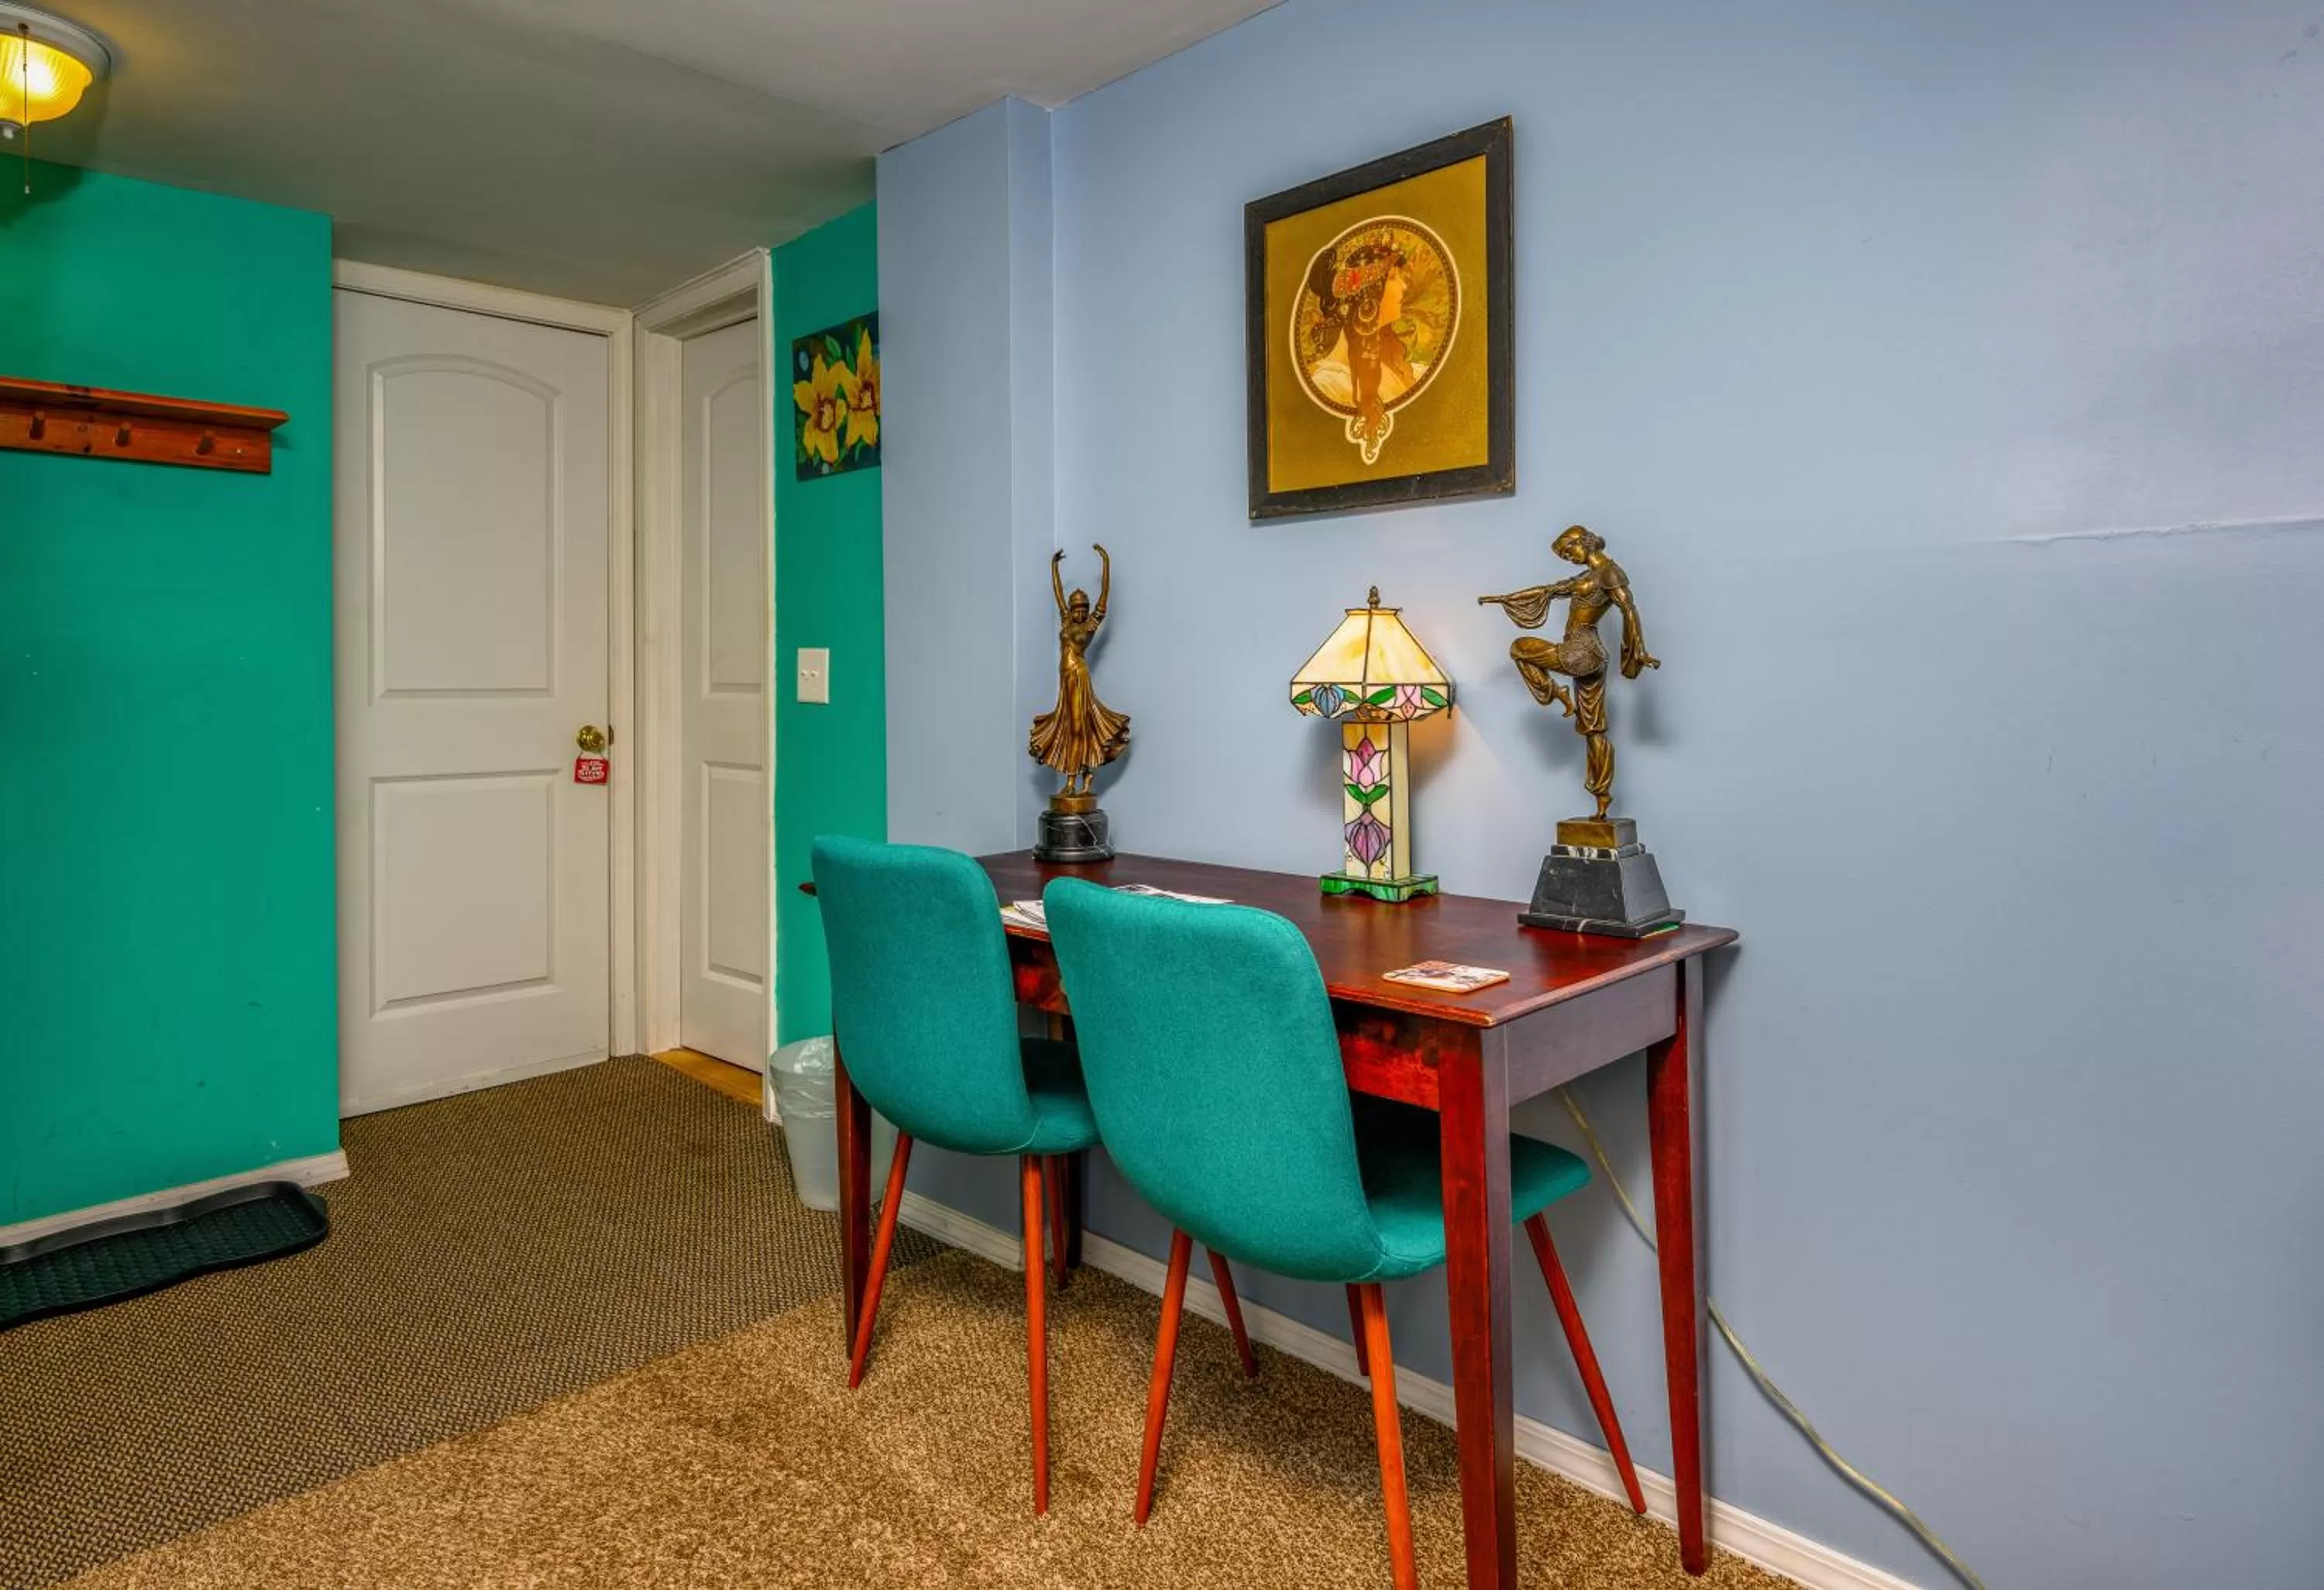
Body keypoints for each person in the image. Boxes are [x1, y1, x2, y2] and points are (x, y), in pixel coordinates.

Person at [1479, 526, 1659, 821]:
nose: (1569, 557)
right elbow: (1548, 590)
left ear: (1585, 543)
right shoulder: (1585, 577)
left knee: (1520, 647)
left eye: (1569, 550)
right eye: (1564, 554)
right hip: (1591, 658)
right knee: (1594, 730)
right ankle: (1602, 799)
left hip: (1581, 652)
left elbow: (1629, 609)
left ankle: (1557, 693)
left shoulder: (1610, 573)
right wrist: (1504, 599)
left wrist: (1638, 651)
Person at [1028, 545, 1131, 799]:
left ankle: (1073, 781)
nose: (1081, 612)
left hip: (1079, 677)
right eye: (1078, 609)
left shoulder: (1090, 625)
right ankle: (1083, 778)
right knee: (1071, 726)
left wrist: (1106, 563)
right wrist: (1054, 567)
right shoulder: (1066, 620)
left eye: (1084, 608)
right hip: (1066, 681)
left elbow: (1104, 599)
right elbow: (1059, 596)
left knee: (1077, 728)